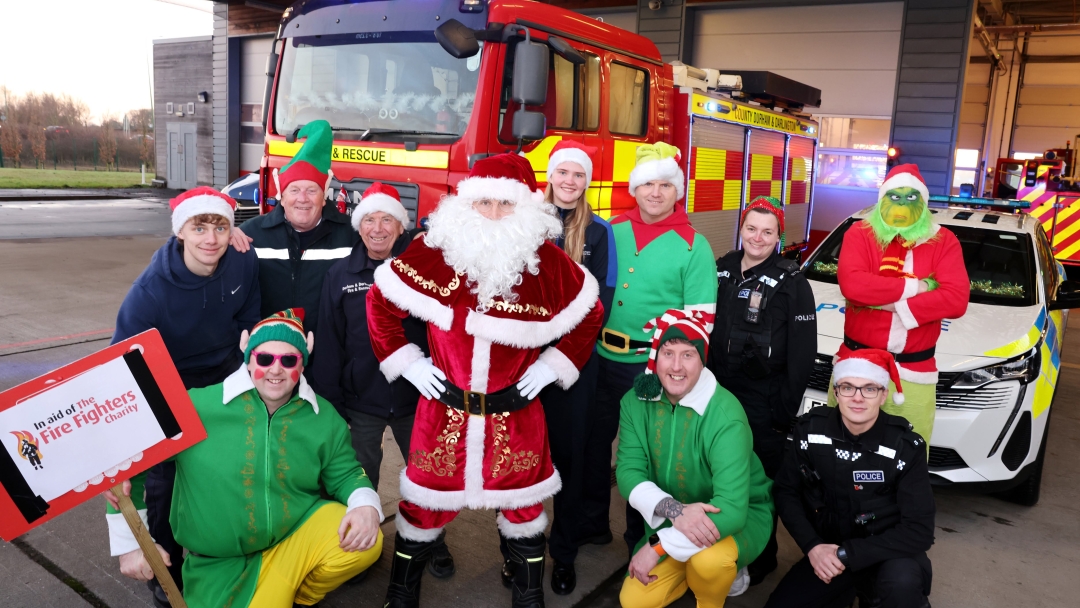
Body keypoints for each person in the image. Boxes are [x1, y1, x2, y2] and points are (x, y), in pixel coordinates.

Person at [366, 153, 605, 608]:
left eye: (505, 204)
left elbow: (590, 311)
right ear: (465, 205)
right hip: (443, 412)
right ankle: (401, 593)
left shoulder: (548, 263)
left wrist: (553, 365)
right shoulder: (435, 250)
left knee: (525, 509)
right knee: (421, 505)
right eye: (484, 203)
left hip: (516, 416)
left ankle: (527, 595)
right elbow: (381, 302)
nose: (494, 214)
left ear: (525, 209)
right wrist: (409, 362)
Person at [105, 309, 384, 608]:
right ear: (248, 356)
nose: (275, 370)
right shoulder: (195, 406)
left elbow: (345, 473)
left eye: (288, 360)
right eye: (265, 359)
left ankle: (302, 595)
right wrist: (130, 544)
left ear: (303, 362)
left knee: (366, 537)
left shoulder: (324, 417)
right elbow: (129, 465)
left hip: (290, 545)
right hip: (216, 566)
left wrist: (366, 504)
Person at [111, 186, 260, 606]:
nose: (210, 239)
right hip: (167, 385)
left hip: (224, 378)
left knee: (227, 472)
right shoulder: (149, 293)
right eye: (199, 227)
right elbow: (124, 363)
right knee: (165, 484)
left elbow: (249, 313)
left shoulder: (242, 261)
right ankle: (166, 577)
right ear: (181, 232)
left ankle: (226, 556)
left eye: (220, 227)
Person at [312, 182, 455, 579]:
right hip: (361, 400)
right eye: (370, 219)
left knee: (427, 473)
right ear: (359, 228)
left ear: (400, 225)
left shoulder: (423, 272)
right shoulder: (341, 275)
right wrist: (332, 403)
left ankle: (435, 540)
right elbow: (328, 341)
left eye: (387, 219)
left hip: (417, 399)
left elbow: (443, 330)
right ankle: (361, 545)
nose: (378, 228)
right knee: (360, 475)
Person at [497, 140, 617, 595]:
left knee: (569, 460)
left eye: (578, 175)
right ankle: (513, 551)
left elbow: (599, 305)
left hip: (573, 365)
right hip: (520, 362)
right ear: (550, 176)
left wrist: (560, 357)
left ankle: (563, 554)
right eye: (562, 173)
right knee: (514, 462)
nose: (569, 182)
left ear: (587, 182)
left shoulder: (600, 234)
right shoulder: (520, 222)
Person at [593, 141, 718, 556]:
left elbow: (700, 322)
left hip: (649, 369)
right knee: (592, 448)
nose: (655, 192)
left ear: (677, 190)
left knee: (643, 457)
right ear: (635, 188)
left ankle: (641, 540)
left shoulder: (693, 245)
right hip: (599, 361)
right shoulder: (611, 231)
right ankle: (591, 526)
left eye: (665, 184)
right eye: (648, 183)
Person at [617, 309, 774, 608]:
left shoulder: (727, 415)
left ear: (703, 360)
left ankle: (712, 593)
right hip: (674, 518)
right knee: (634, 601)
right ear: (655, 356)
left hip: (738, 518)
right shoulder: (634, 402)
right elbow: (628, 474)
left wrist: (657, 547)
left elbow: (731, 510)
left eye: (688, 355)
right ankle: (687, 566)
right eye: (668, 353)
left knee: (710, 562)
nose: (676, 366)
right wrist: (676, 512)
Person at [766, 348, 935, 608]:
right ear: (836, 393)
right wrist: (813, 548)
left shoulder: (905, 447)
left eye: (869, 389)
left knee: (901, 584)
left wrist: (849, 555)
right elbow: (786, 492)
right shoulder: (810, 432)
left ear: (883, 396)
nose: (858, 398)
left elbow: (919, 531)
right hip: (829, 554)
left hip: (886, 556)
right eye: (848, 387)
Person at [708, 195, 817, 585]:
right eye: (751, 228)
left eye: (767, 232)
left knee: (759, 483)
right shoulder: (721, 269)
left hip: (764, 402)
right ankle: (717, 547)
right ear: (741, 229)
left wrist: (783, 413)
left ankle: (762, 557)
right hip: (716, 394)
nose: (758, 237)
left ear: (778, 236)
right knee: (719, 473)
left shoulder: (793, 283)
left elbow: (804, 357)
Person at [834, 163, 968, 447]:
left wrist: (888, 304)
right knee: (840, 450)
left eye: (911, 197)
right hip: (855, 365)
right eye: (894, 197)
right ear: (882, 200)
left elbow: (956, 299)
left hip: (913, 373)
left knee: (909, 454)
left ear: (923, 202)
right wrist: (917, 287)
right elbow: (854, 286)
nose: (902, 205)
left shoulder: (943, 240)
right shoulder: (860, 234)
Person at [230, 119, 358, 347]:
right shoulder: (252, 235)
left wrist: (415, 236)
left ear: (323, 195)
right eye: (295, 190)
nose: (303, 198)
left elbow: (389, 247)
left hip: (328, 358)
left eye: (312, 190)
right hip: (270, 361)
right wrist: (224, 235)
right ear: (282, 195)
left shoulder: (350, 235)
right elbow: (204, 254)